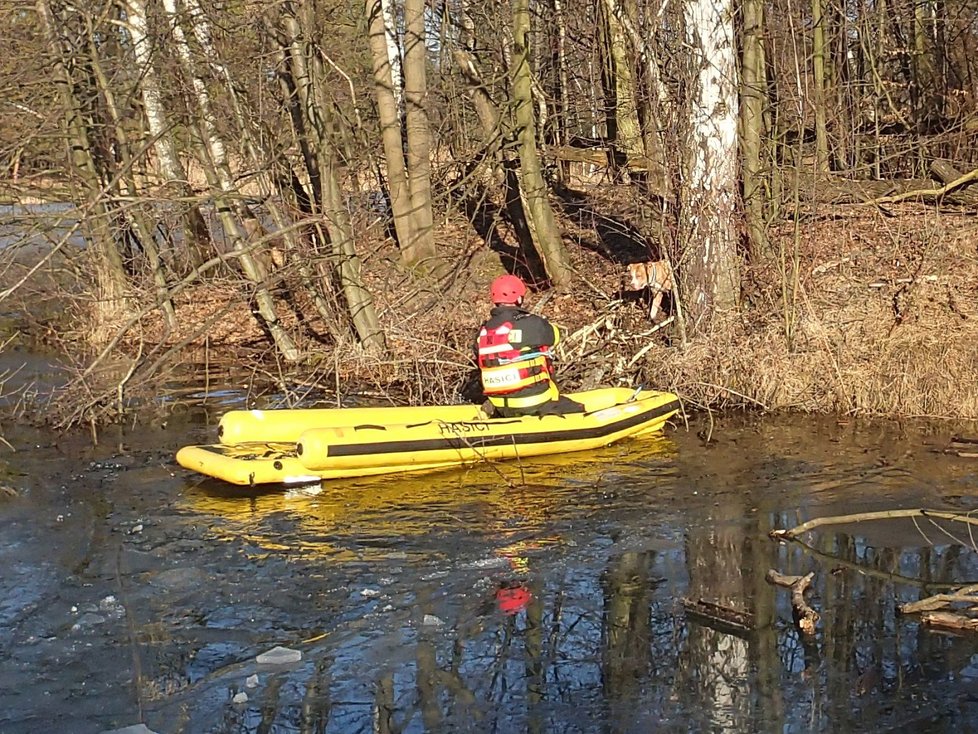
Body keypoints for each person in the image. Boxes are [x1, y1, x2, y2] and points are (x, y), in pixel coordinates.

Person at [475, 274, 585, 418]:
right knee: (579, 410)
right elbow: (555, 336)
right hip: (535, 404)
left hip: (501, 408)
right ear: (519, 299)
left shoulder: (482, 333)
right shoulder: (530, 324)